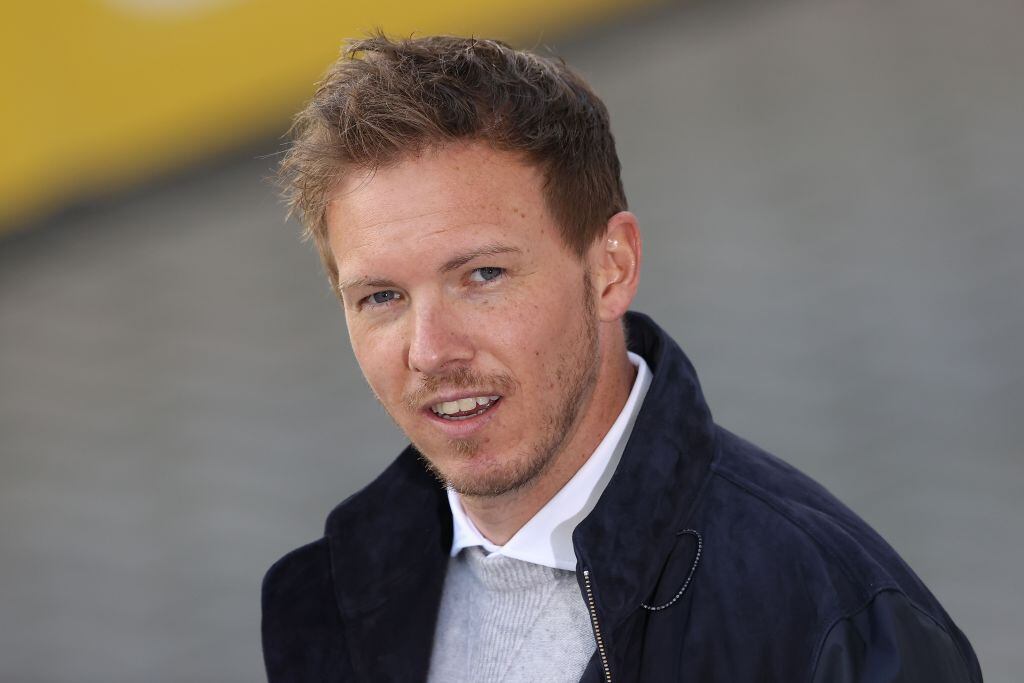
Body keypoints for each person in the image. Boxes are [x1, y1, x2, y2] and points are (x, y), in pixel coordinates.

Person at [261, 34, 982, 682]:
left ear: (612, 267)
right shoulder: (322, 603)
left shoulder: (833, 622)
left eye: (483, 276)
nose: (430, 351)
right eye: (382, 296)